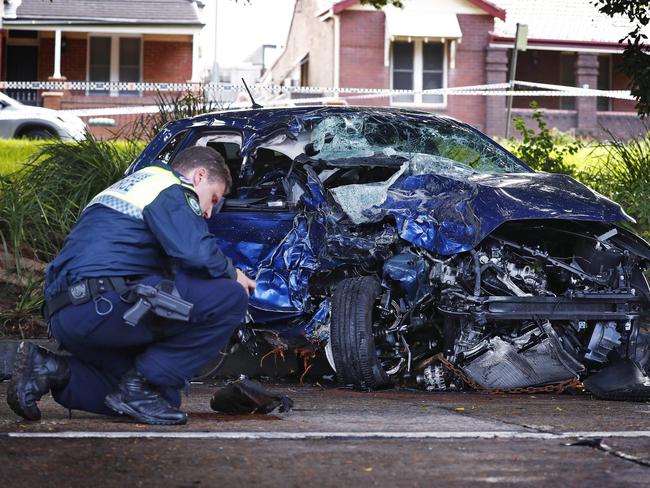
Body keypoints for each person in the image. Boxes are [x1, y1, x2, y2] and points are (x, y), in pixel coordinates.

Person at [7, 146, 256, 425]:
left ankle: (51, 369)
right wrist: (232, 273)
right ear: (199, 176)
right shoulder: (169, 187)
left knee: (161, 398)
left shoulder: (131, 187)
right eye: (213, 198)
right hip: (103, 304)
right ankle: (138, 387)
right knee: (230, 297)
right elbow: (194, 252)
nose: (210, 212)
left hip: (70, 314)